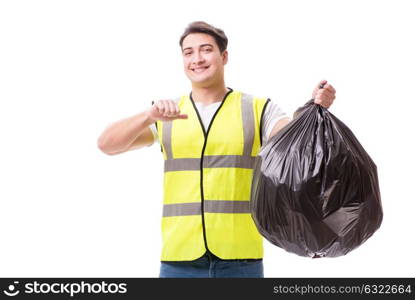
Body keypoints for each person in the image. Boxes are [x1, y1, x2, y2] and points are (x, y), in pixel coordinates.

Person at [97, 21, 336, 278]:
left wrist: (311, 109)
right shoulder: (166, 114)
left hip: (240, 259)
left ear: (224, 56)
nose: (197, 59)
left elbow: (294, 140)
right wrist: (147, 116)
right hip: (179, 260)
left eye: (206, 50)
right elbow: (106, 144)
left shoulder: (257, 109)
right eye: (188, 53)